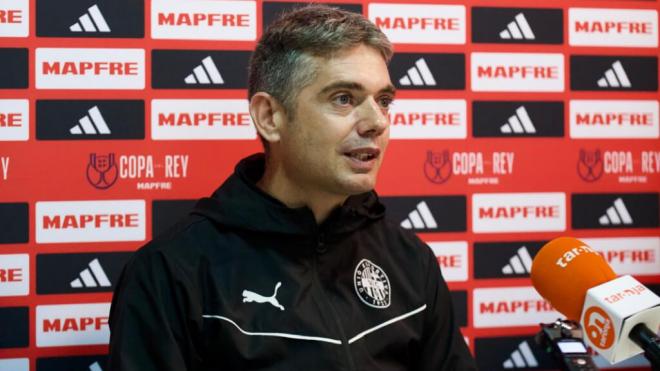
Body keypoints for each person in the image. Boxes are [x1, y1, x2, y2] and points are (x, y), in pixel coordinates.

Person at [108, 5, 477, 370]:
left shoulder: (410, 259)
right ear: (270, 117)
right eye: (344, 98)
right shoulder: (171, 274)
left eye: (383, 101)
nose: (376, 122)